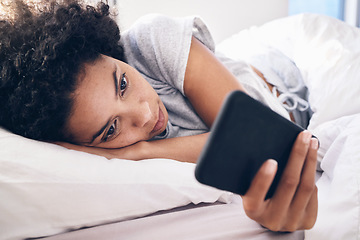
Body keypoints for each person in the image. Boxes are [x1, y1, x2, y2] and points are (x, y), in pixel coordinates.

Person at [0, 0, 318, 232]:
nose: (144, 113)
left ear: (108, 51)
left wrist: (142, 151)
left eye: (122, 83)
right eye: (111, 129)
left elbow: (254, 138)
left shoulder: (152, 42)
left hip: (281, 76)